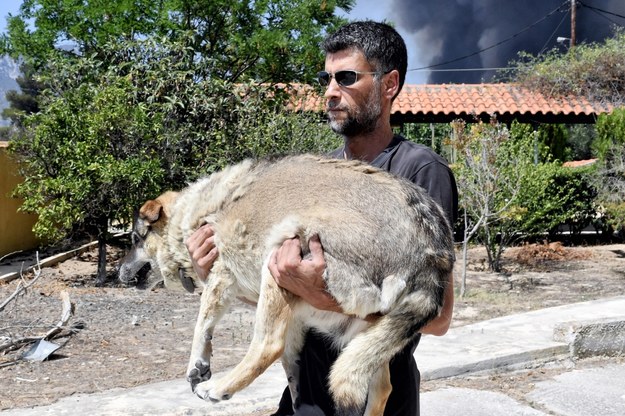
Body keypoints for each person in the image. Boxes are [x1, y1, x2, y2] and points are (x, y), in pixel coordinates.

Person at [186, 21, 458, 416]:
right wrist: (213, 270)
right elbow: (280, 288)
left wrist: (321, 296)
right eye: (326, 79)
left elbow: (438, 318)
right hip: (303, 396)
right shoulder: (322, 174)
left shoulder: (420, 170)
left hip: (375, 398)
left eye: (346, 77)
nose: (330, 92)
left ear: (389, 84)